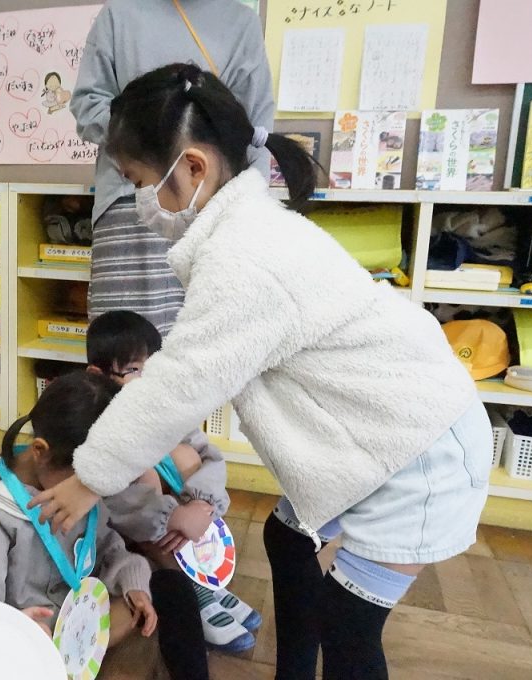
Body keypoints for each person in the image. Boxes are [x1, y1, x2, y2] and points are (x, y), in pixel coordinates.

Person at [33, 64, 493, 680]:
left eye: (140, 182)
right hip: (380, 433)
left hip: (420, 452)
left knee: (348, 624)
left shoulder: (245, 259)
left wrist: (90, 477)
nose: (143, 200)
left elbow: (178, 384)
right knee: (287, 536)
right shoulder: (245, 232)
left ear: (192, 167)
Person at [71, 0, 274, 336]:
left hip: (216, 207)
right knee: (126, 345)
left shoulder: (242, 23)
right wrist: (150, 144)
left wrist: (253, 212)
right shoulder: (118, 15)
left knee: (215, 334)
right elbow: (87, 104)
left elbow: (254, 127)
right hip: (132, 202)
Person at [87, 310, 261, 666]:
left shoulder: (162, 406)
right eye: (133, 370)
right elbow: (112, 498)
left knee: (185, 455)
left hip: (175, 518)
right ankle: (188, 585)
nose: (147, 380)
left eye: (153, 368)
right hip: (127, 528)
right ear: (98, 375)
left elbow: (209, 456)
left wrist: (202, 505)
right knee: (145, 474)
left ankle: (203, 576)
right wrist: (172, 515)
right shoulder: (92, 417)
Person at [0, 372, 158, 650]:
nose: (94, 491)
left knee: (135, 610)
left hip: (73, 624)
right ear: (40, 451)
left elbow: (108, 549)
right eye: (87, 480)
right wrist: (19, 629)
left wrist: (132, 582)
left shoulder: (86, 487)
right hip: (18, 640)